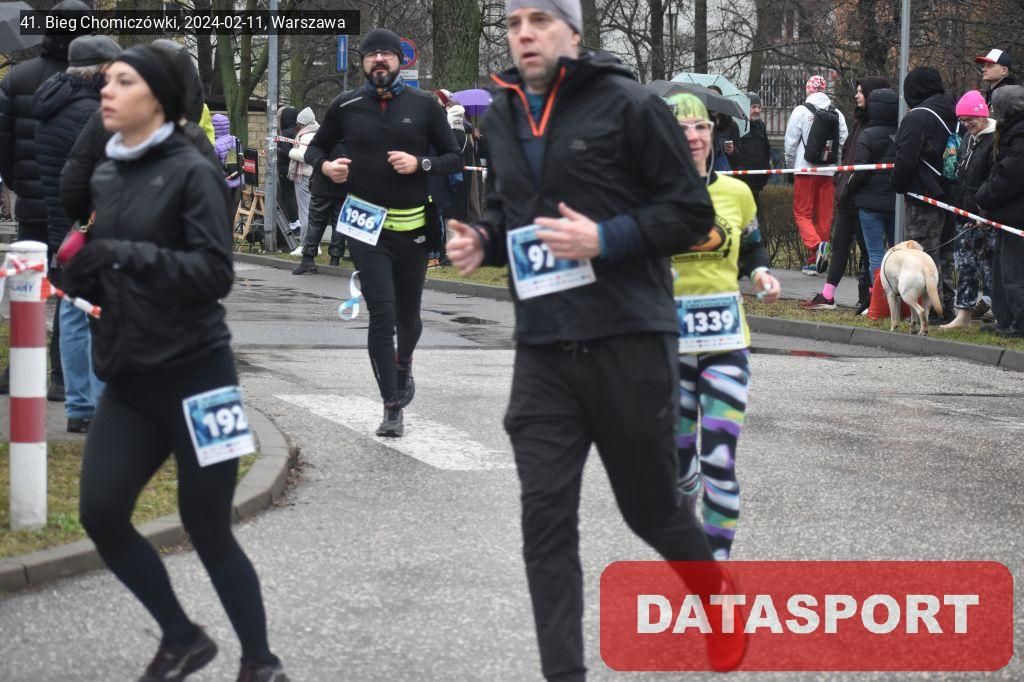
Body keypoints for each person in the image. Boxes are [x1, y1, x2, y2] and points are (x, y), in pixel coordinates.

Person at [445, 1, 745, 678]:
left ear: (573, 32)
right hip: (543, 348)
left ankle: (716, 599)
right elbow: (513, 214)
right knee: (545, 524)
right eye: (514, 22)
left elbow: (690, 213)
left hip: (626, 340)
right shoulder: (503, 115)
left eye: (540, 20)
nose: (524, 33)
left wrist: (605, 238)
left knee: (651, 510)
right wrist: (484, 240)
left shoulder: (630, 106)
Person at [59, 44, 288, 681]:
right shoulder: (109, 172)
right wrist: (82, 273)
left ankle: (261, 662)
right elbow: (112, 269)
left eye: (122, 82)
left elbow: (214, 273)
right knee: (101, 514)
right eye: (106, 81)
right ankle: (183, 637)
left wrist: (122, 256)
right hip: (130, 379)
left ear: (157, 98)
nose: (106, 91)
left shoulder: (193, 170)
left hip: (200, 379)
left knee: (207, 526)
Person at [304, 28, 461, 436]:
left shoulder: (424, 106)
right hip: (365, 227)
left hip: (413, 229)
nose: (378, 60)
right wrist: (326, 167)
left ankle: (403, 364)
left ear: (399, 60)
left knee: (409, 316)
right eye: (371, 54)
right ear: (362, 62)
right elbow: (315, 148)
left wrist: (420, 164)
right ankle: (391, 406)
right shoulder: (346, 105)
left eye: (386, 54)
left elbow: (453, 158)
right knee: (382, 313)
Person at [666, 93, 780, 560]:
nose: (693, 137)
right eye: (681, 129)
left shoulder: (735, 193)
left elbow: (753, 246)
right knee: (678, 468)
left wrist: (761, 274)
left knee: (719, 462)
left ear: (712, 134)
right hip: (667, 346)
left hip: (726, 340)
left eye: (701, 127)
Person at [0, 0, 91, 400]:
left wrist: (20, 183)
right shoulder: (93, 83)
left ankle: (19, 370)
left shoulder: (18, 79)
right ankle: (61, 375)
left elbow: (4, 146)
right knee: (69, 292)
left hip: (32, 204)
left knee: (28, 290)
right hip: (75, 210)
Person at [34, 35, 121, 433]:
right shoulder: (97, 111)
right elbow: (83, 174)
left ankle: (78, 403)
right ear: (102, 69)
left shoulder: (43, 98)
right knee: (97, 311)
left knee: (71, 310)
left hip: (58, 217)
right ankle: (99, 405)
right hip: (90, 221)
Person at [60, 39, 221, 227]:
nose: (106, 91)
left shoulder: (104, 121)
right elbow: (216, 209)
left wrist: (93, 220)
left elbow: (73, 186)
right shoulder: (193, 135)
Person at [802, 77, 888, 311]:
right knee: (839, 245)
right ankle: (828, 295)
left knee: (869, 252)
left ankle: (873, 298)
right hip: (848, 196)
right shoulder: (859, 122)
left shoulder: (875, 126)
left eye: (861, 92)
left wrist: (847, 184)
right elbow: (849, 155)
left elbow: (863, 165)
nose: (856, 96)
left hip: (862, 197)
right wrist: (841, 181)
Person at [891, 66, 957, 320]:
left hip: (923, 196)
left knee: (923, 256)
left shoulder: (917, 117)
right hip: (951, 195)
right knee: (946, 254)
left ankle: (931, 311)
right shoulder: (955, 113)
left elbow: (905, 160)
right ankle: (948, 306)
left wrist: (898, 184)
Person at [940, 91, 998, 330]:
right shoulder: (967, 138)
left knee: (991, 269)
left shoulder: (995, 140)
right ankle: (963, 314)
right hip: (964, 214)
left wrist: (984, 213)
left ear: (982, 115)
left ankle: (1002, 315)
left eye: (969, 119)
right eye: (962, 120)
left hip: (986, 217)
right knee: (965, 266)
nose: (966, 124)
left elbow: (995, 180)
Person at [784, 74, 849, 276]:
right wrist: (837, 167)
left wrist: (790, 167)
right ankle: (815, 262)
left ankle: (815, 245)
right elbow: (845, 142)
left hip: (805, 169)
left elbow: (790, 143)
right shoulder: (837, 113)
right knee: (824, 216)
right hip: (828, 171)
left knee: (802, 213)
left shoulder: (800, 111)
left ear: (808, 90)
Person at [975, 85, 1024, 338]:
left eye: (994, 105)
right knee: (1002, 271)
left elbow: (1008, 175)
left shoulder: (1019, 136)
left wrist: (984, 196)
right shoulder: (1011, 132)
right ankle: (1005, 320)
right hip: (1009, 215)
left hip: (1017, 216)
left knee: (1014, 273)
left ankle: (1019, 323)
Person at [847, 88, 899, 284]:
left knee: (875, 254)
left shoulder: (867, 135)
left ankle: (878, 296)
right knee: (898, 252)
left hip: (869, 204)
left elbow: (860, 170)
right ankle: (898, 295)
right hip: (895, 204)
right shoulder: (902, 133)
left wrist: (850, 189)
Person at [291, 139, 348, 273]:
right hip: (343, 184)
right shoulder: (351, 136)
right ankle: (334, 260)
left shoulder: (326, 135)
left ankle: (308, 259)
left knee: (316, 222)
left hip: (323, 184)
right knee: (339, 223)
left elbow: (311, 154)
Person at [287, 107, 318, 254]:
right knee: (312, 210)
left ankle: (305, 244)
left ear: (303, 124)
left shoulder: (306, 136)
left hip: (304, 176)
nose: (297, 127)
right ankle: (315, 244)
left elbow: (304, 156)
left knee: (304, 211)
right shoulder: (316, 132)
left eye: (298, 124)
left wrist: (291, 151)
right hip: (314, 176)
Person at [735, 92, 771, 208]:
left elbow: (766, 149)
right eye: (753, 107)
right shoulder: (738, 124)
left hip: (757, 180)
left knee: (756, 212)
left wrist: (766, 170)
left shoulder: (761, 125)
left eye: (759, 107)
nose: (757, 110)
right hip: (742, 180)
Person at [276, 106, 300, 234]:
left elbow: (285, 152)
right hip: (296, 167)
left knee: (288, 196)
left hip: (285, 168)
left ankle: (294, 223)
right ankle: (297, 222)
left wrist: (276, 150)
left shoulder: (285, 133)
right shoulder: (297, 131)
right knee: (295, 195)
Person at [212, 113, 241, 208]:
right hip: (236, 177)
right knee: (232, 203)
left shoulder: (215, 145)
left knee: (222, 206)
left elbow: (214, 166)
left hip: (223, 181)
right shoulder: (235, 139)